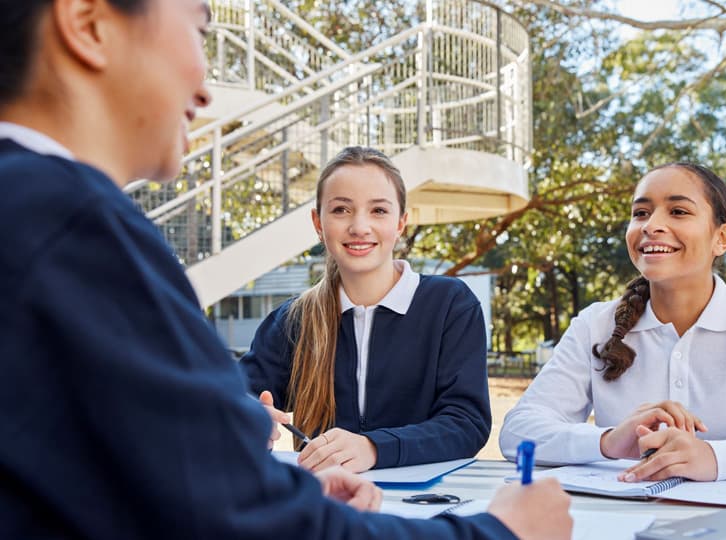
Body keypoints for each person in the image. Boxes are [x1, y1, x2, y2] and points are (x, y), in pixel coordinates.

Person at [0, 1, 572, 538]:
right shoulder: (73, 228)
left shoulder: (40, 218)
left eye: (378, 210)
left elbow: (136, 472)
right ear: (88, 22)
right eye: (200, 30)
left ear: (403, 222)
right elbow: (233, 510)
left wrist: (259, 466)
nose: (204, 87)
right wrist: (498, 531)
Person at [499, 162, 726, 482]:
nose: (651, 226)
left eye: (678, 212)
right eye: (641, 213)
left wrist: (715, 458)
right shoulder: (593, 325)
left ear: (721, 238)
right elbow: (517, 432)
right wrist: (607, 441)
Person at [240, 146, 491, 473]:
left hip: (424, 506)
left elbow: (467, 423)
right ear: (318, 222)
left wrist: (374, 447)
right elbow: (233, 396)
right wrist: (245, 414)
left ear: (401, 222)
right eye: (342, 209)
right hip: (326, 504)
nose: (359, 227)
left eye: (378, 211)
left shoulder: (450, 305)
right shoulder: (292, 321)